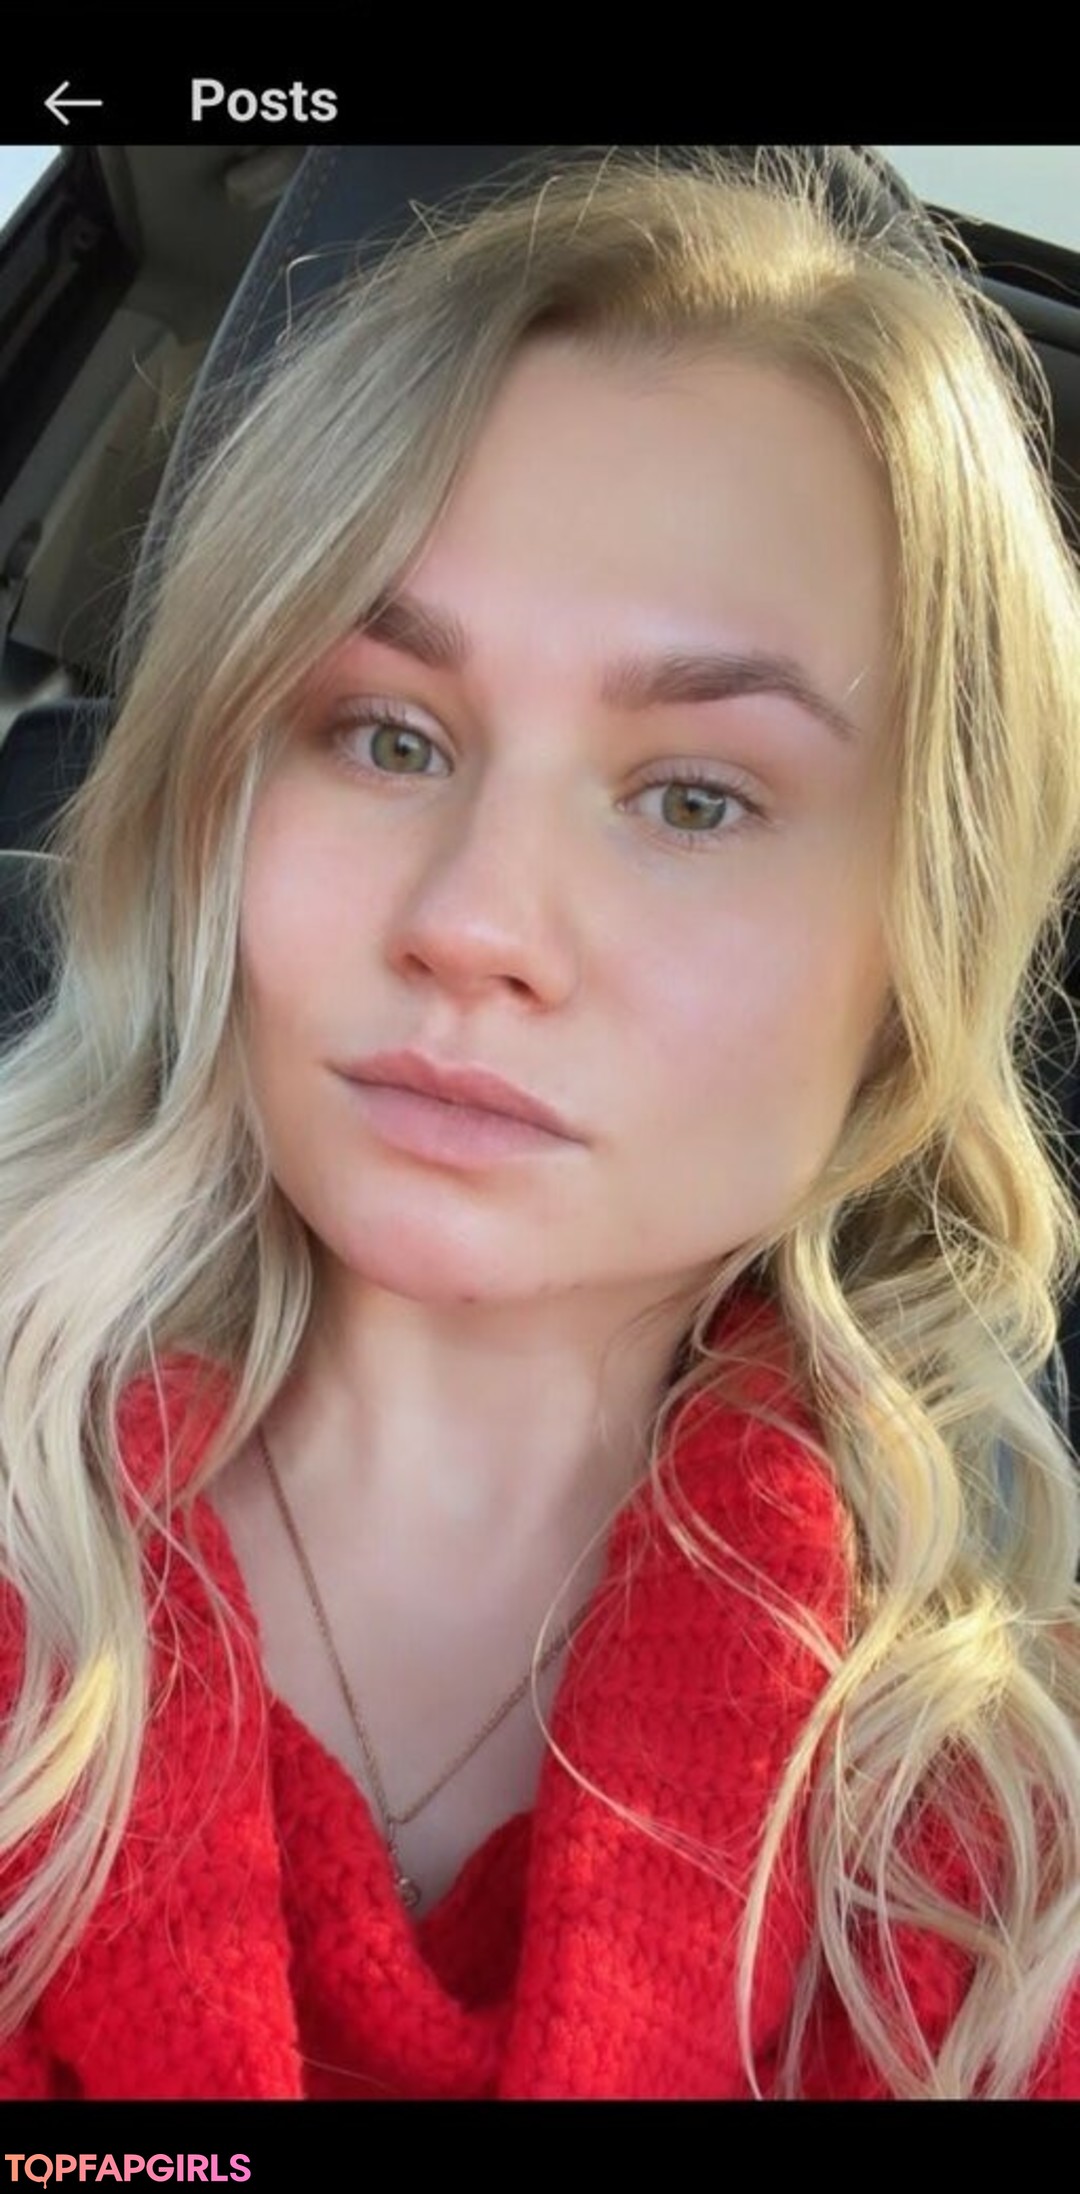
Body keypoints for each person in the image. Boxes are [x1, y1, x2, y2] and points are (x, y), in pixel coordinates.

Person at [0, 145, 1078, 2103]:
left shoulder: (1006, 1856)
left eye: (695, 797)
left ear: (915, 950)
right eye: (386, 733)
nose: (477, 922)